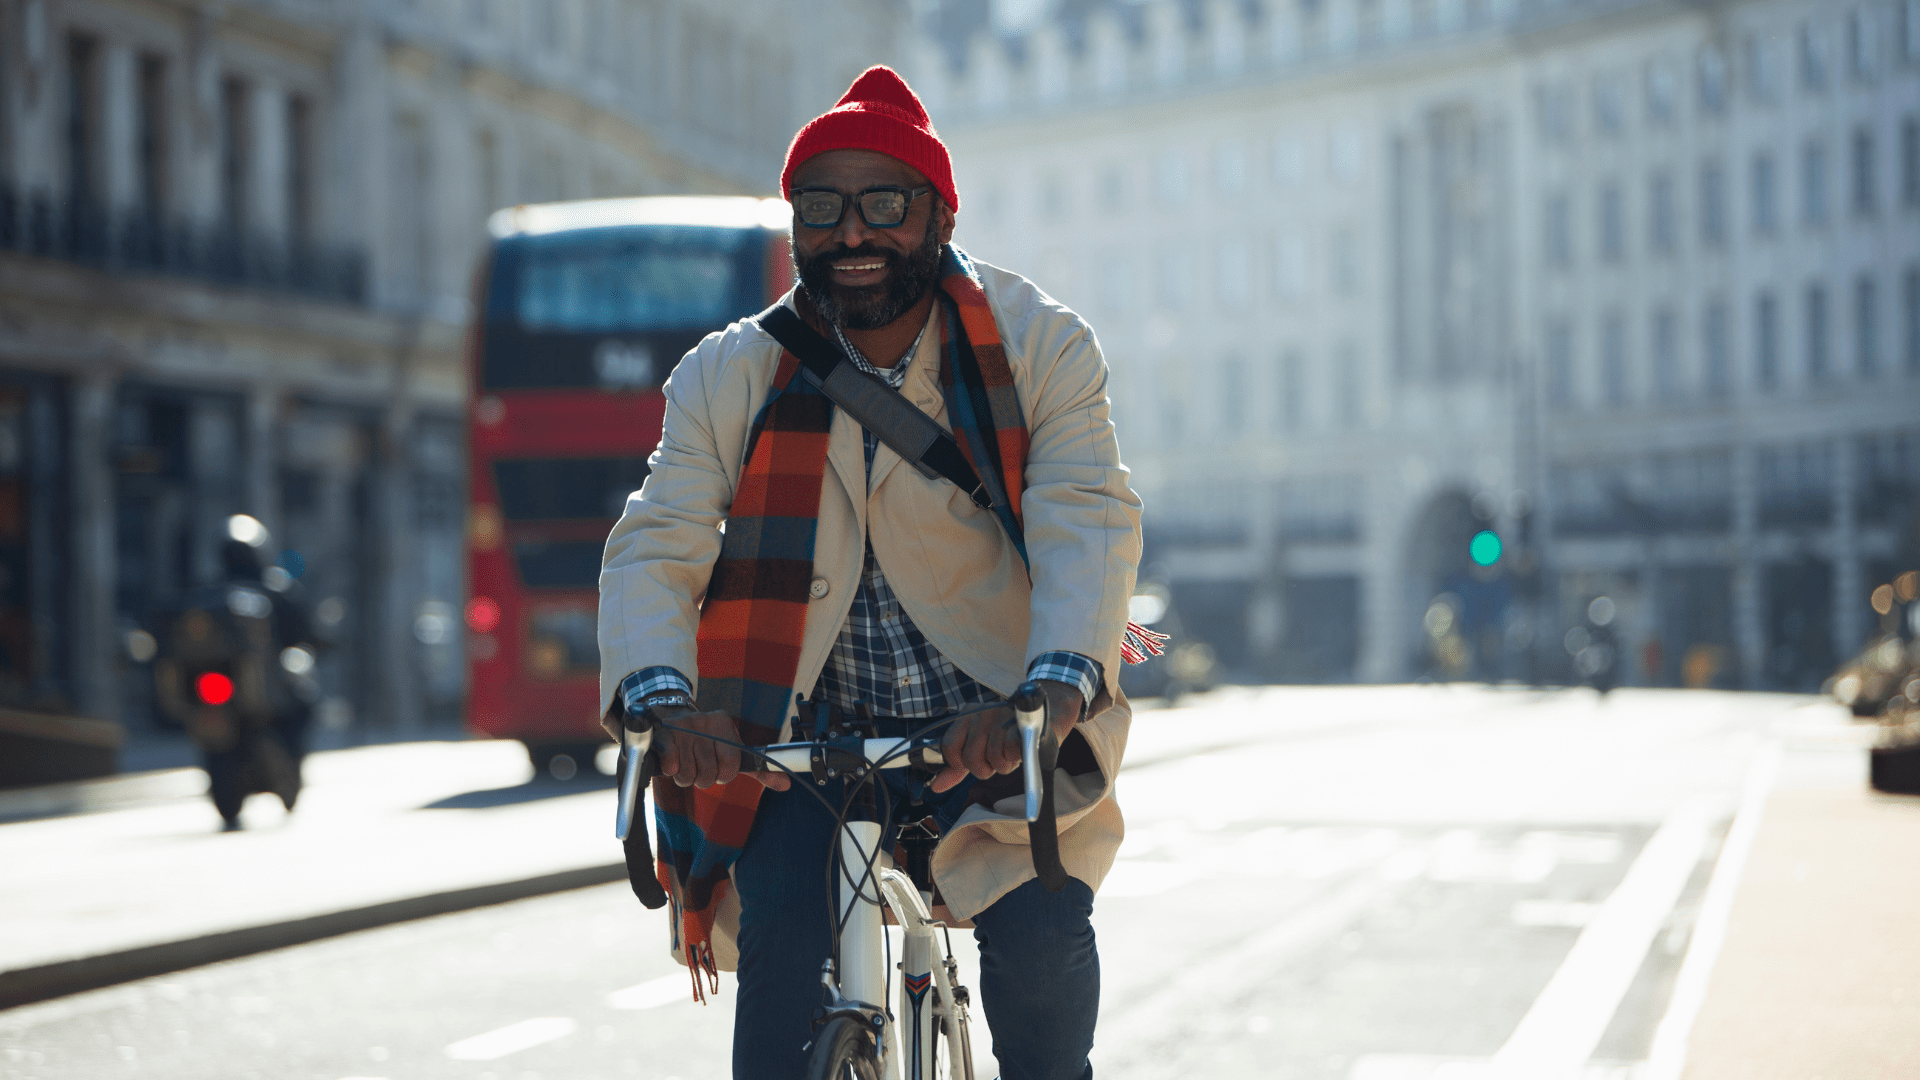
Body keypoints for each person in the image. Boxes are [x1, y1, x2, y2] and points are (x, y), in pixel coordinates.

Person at [598, 66, 1143, 1080]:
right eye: (821, 205)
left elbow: (1087, 521)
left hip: (992, 734)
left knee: (1041, 969)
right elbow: (656, 537)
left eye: (884, 203)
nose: (852, 232)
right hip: (800, 748)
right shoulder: (729, 373)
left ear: (938, 216)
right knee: (774, 1018)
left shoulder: (1042, 349)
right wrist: (666, 701)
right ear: (795, 223)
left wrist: (1052, 689)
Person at [155, 514, 320, 830]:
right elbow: (304, 633)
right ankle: (288, 762)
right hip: (247, 697)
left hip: (225, 694)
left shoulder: (207, 592)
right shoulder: (276, 591)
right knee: (304, 702)